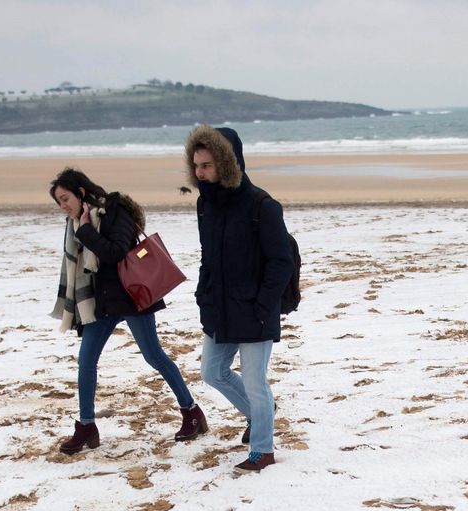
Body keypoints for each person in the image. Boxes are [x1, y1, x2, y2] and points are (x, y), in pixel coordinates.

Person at [49, 167, 206, 454]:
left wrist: (86, 231)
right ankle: (86, 426)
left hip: (132, 296)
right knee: (86, 362)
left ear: (81, 192)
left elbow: (117, 251)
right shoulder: (75, 224)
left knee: (153, 355)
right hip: (101, 303)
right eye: (58, 202)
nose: (62, 207)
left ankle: (192, 412)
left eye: (65, 199)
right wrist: (81, 228)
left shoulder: (113, 210)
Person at [183, 125, 295, 473]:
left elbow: (281, 262)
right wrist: (204, 292)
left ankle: (263, 449)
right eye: (197, 166)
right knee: (212, 372)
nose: (200, 173)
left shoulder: (262, 205)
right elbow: (207, 256)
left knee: (254, 381)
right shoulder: (206, 204)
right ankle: (259, 414)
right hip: (219, 306)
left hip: (254, 309)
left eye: (207, 166)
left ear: (228, 164)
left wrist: (264, 305)